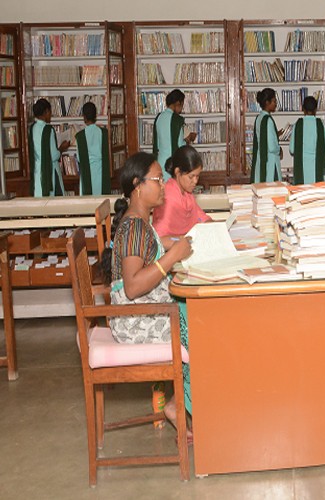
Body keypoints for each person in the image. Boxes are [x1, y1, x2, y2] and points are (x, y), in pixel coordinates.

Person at [101, 152, 194, 439]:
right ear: (138, 186)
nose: (164, 185)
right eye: (158, 180)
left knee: (193, 314)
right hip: (132, 322)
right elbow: (132, 286)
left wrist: (167, 244)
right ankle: (184, 408)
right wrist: (171, 257)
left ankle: (185, 405)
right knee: (199, 327)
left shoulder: (140, 222)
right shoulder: (132, 227)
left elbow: (147, 249)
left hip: (141, 313)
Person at [152, 145, 212, 239]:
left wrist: (219, 227)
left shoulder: (187, 193)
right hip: (174, 248)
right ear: (177, 172)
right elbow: (159, 239)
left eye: (197, 176)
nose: (195, 181)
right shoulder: (169, 198)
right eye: (191, 177)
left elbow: (201, 217)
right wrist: (184, 241)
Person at [28, 98, 69, 197]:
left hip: (37, 172)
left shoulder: (31, 128)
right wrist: (62, 148)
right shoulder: (48, 130)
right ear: (46, 112)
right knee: (54, 205)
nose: (50, 115)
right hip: (49, 173)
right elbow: (54, 155)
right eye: (50, 112)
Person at [153, 89, 196, 180]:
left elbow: (156, 144)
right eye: (182, 105)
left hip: (159, 163)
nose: (181, 109)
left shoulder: (158, 117)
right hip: (171, 164)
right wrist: (189, 139)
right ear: (177, 103)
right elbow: (180, 145)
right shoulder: (177, 119)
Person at [289, 96, 325, 184]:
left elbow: (292, 149)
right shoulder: (320, 125)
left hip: (301, 171)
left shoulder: (298, 124)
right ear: (316, 109)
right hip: (317, 169)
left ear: (303, 109)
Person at [76, 102, 110, 195]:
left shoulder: (80, 136)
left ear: (84, 117)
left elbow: (79, 158)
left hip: (87, 172)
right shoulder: (104, 133)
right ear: (96, 115)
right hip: (101, 172)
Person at [252, 87, 282, 183]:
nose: (276, 104)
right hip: (270, 162)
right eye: (274, 101)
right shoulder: (268, 120)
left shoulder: (259, 118)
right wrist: (279, 149)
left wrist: (275, 134)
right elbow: (272, 147)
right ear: (267, 103)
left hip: (261, 159)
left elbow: (263, 137)